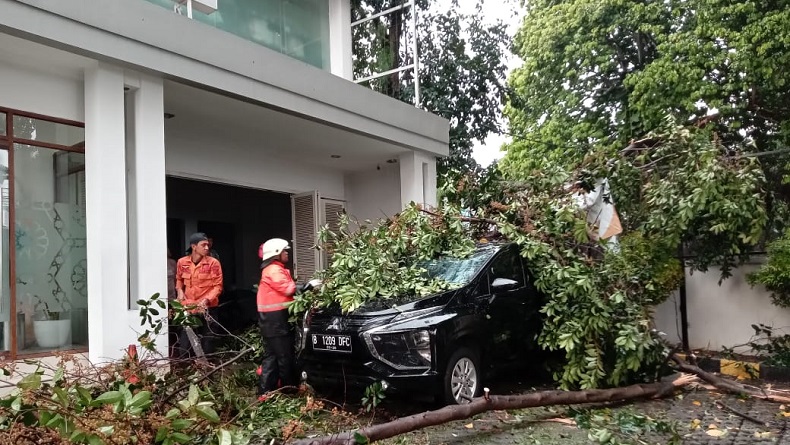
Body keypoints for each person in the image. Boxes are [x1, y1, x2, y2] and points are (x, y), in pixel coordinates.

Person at [256, 238, 320, 400]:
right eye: (284, 251)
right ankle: (289, 390)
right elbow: (288, 289)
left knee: (272, 357)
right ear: (276, 253)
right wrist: (308, 286)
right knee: (285, 357)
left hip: (271, 321)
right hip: (276, 321)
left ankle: (265, 392)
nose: (287, 253)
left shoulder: (274, 269)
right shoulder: (274, 270)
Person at [175, 232, 223, 359]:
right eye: (203, 245)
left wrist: (206, 300)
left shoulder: (213, 263)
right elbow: (179, 279)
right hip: (188, 308)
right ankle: (187, 367)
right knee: (185, 345)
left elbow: (218, 286)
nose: (207, 247)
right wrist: (179, 290)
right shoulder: (182, 262)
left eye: (208, 245)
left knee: (208, 343)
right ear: (194, 246)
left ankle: (207, 367)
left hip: (208, 308)